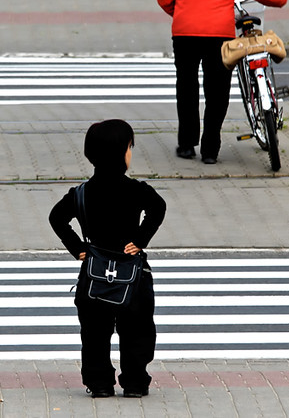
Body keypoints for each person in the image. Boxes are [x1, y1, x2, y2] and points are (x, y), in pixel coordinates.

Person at [156, 0, 288, 164]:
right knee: (217, 91)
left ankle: (186, 145)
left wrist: (183, 13)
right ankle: (210, 150)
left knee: (186, 87)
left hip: (184, 35)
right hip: (219, 36)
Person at [49, 119, 166, 398]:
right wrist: (139, 240)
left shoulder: (82, 193)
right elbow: (158, 208)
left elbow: (57, 217)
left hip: (94, 273)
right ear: (122, 153)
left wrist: (77, 247)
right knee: (137, 331)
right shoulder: (136, 190)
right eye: (130, 147)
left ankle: (99, 383)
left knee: (94, 333)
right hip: (132, 275)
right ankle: (135, 382)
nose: (131, 152)